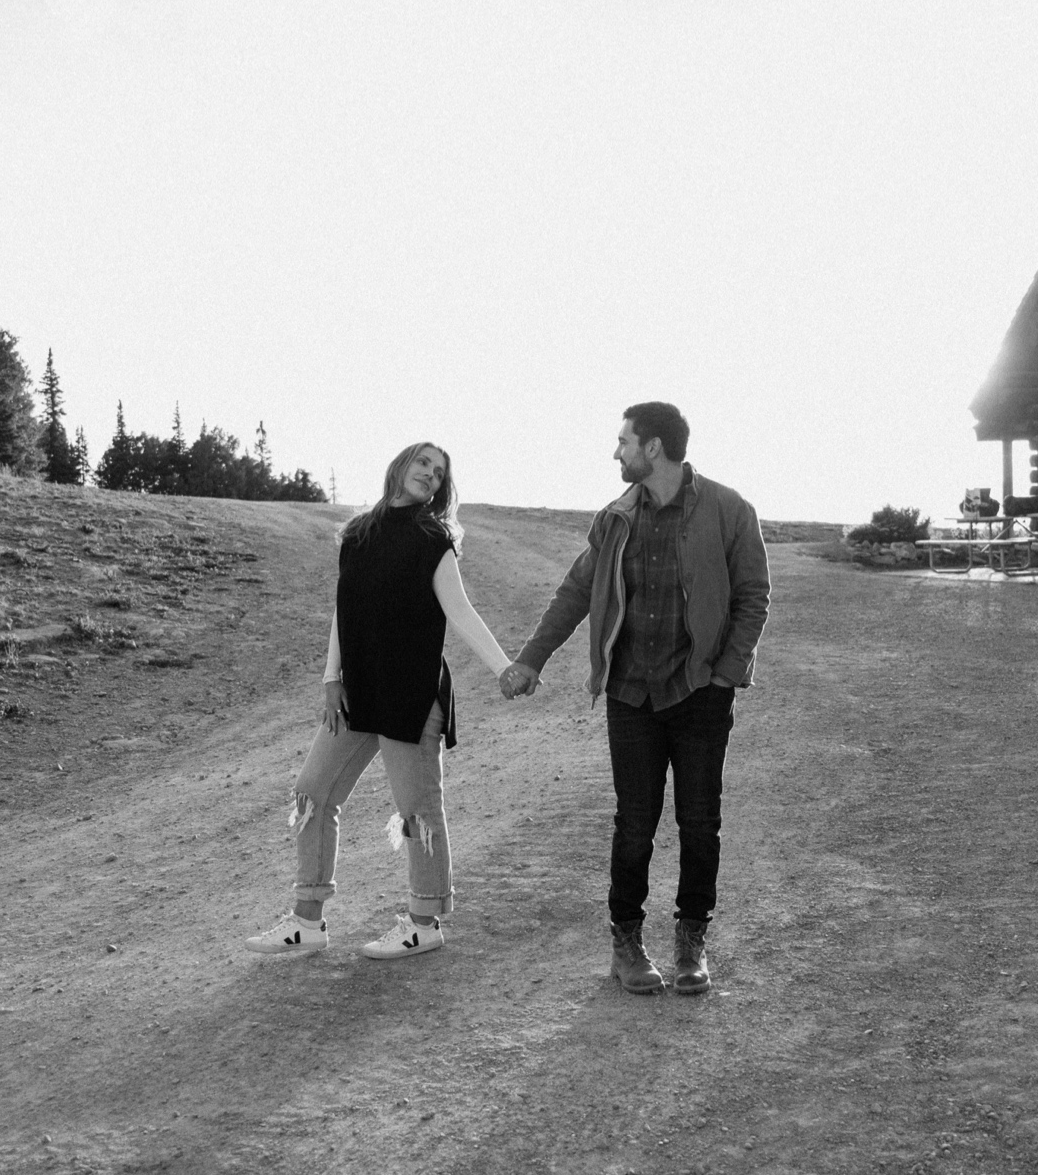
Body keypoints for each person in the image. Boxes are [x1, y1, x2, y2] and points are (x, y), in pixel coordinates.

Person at [501, 403, 769, 996]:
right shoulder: (615, 518)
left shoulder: (729, 510)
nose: (616, 453)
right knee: (635, 826)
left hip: (700, 694)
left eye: (623, 442)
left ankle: (691, 942)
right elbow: (576, 591)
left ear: (653, 448)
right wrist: (530, 658)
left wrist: (727, 673)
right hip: (630, 695)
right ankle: (627, 941)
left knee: (700, 823)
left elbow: (754, 596)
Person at [247, 440, 515, 962]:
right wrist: (331, 676)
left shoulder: (431, 538)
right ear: (400, 465)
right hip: (359, 690)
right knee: (311, 794)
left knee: (417, 810)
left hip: (412, 693)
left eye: (439, 473)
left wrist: (504, 668)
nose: (431, 476)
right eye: (423, 464)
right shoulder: (358, 535)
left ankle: (425, 921)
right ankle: (307, 921)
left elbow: (459, 612)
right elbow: (343, 608)